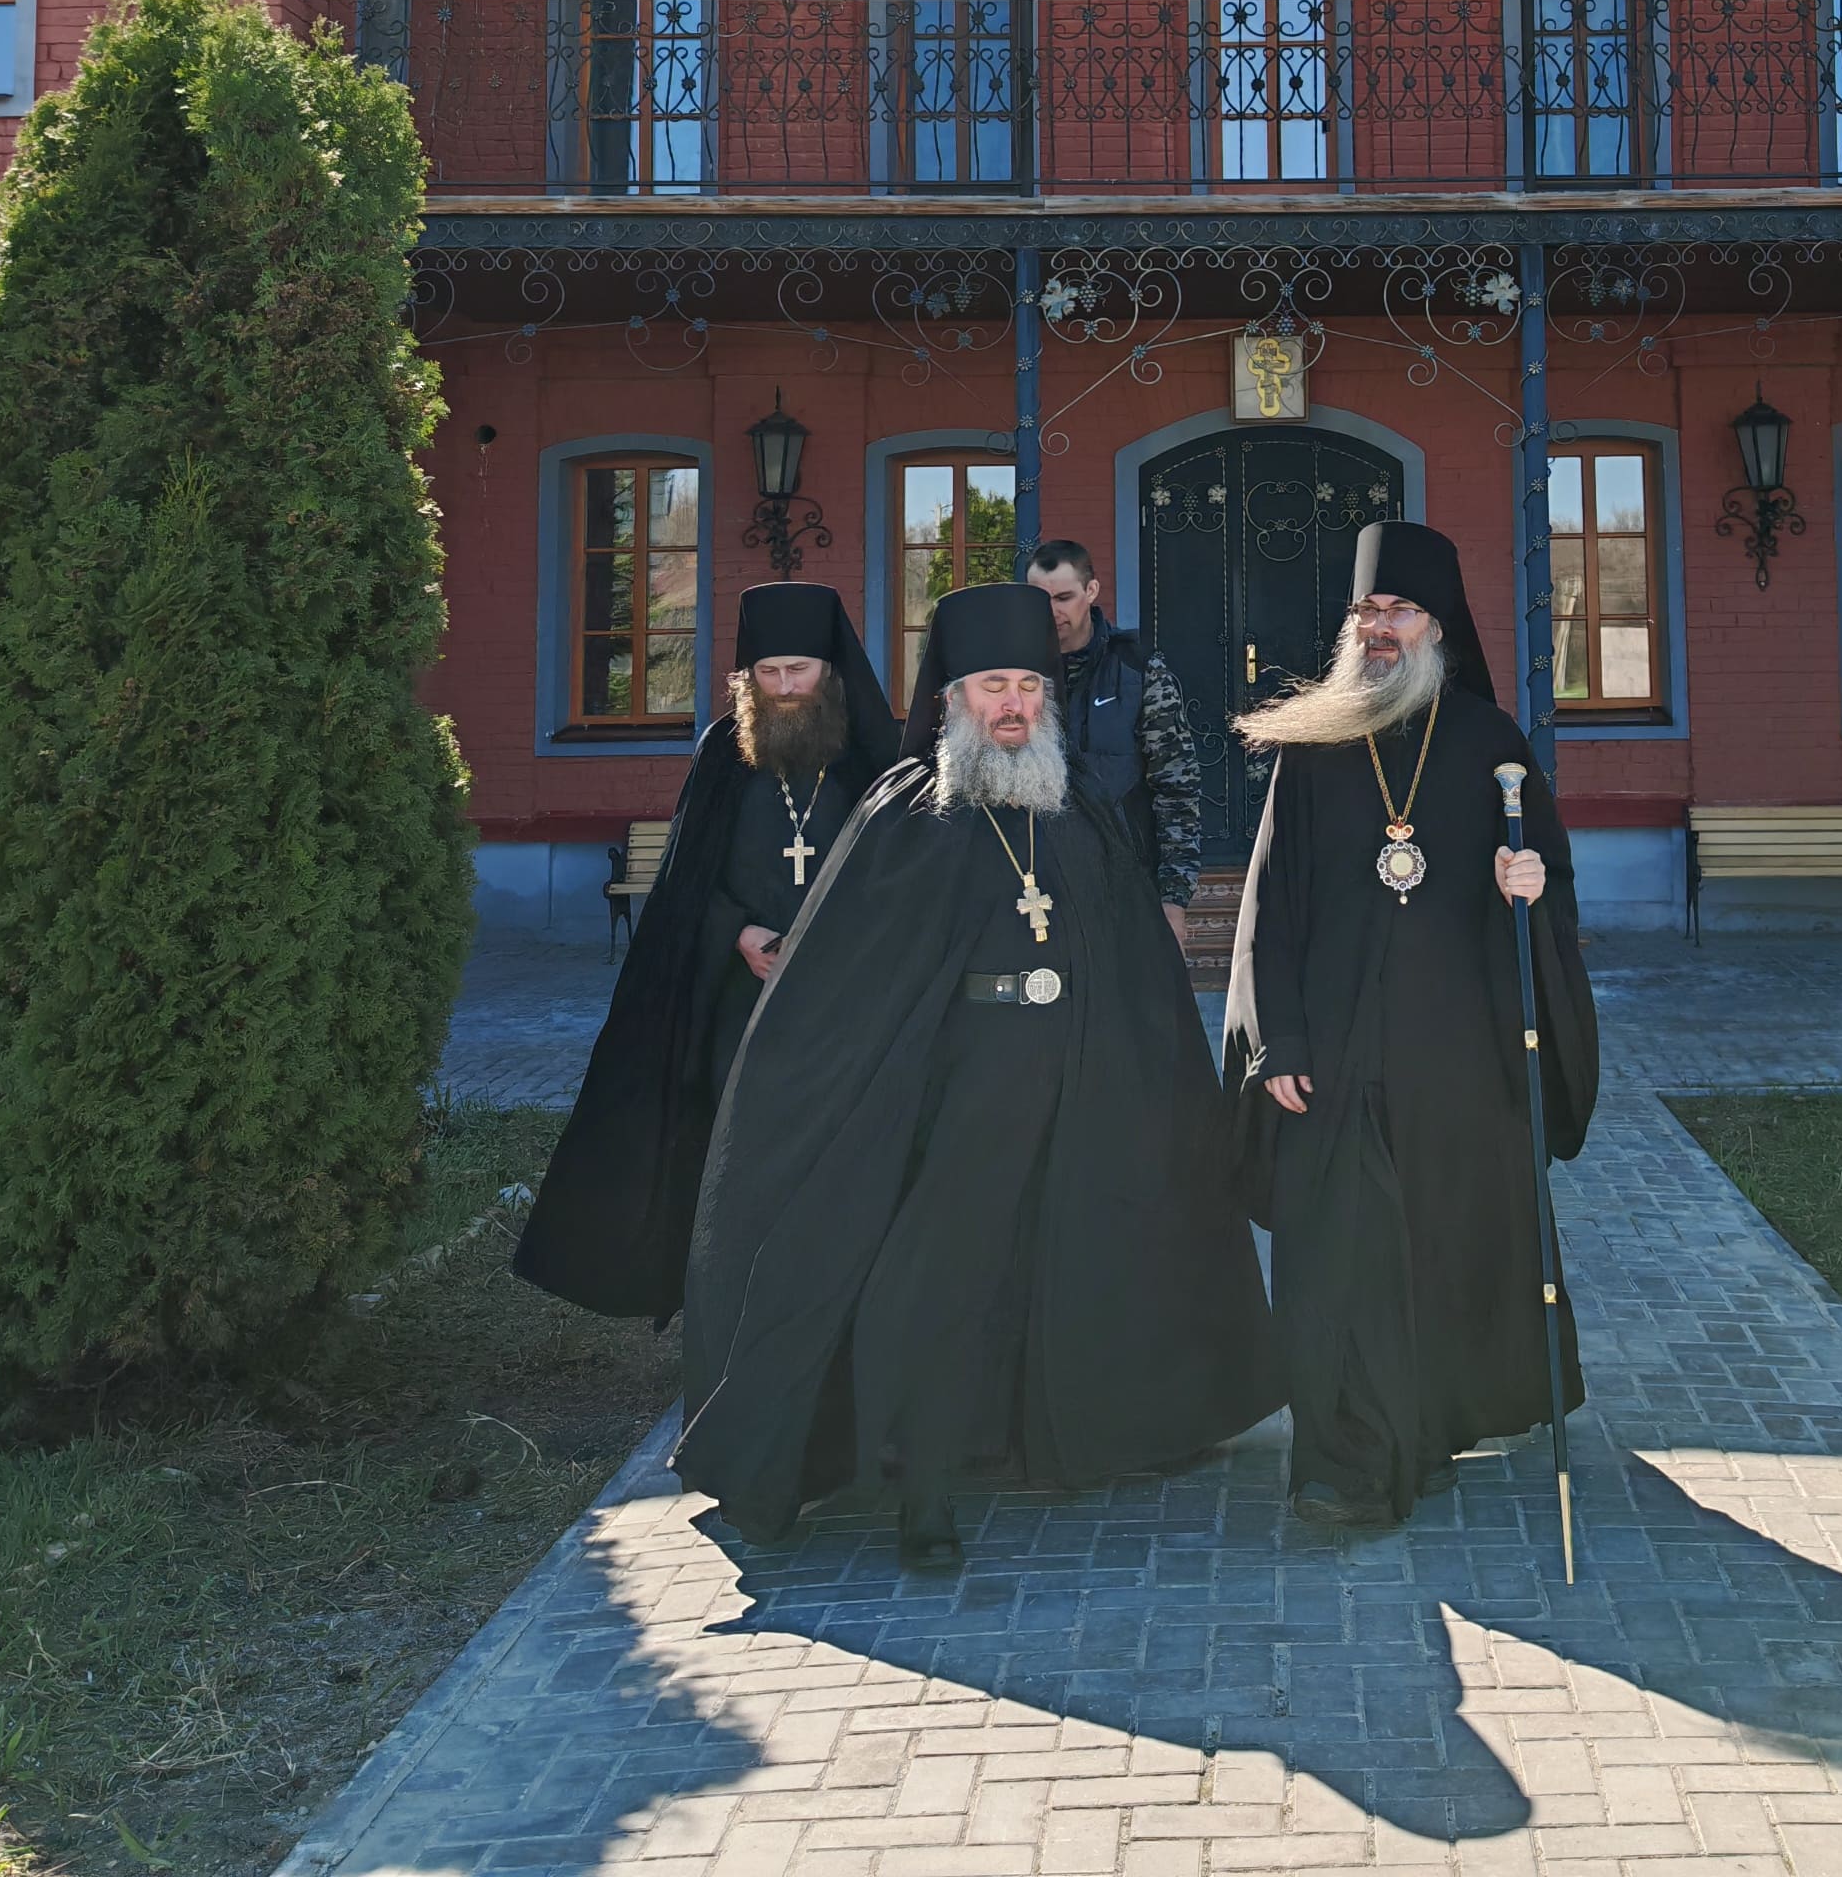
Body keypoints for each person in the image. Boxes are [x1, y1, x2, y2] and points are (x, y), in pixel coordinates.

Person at [673, 580, 1280, 1571]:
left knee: (1066, 1260)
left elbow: (1129, 959)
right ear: (952, 697)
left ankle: (1067, 1437)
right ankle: (922, 1492)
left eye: (1030, 687)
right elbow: (843, 985)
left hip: (1076, 1084)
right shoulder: (905, 817)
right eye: (994, 686)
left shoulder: (1079, 808)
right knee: (933, 1283)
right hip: (953, 1096)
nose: (1014, 705)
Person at [1222, 519, 1601, 1531]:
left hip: (1456, 1050)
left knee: (1442, 1245)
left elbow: (1550, 884)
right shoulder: (1313, 747)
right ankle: (1344, 1465)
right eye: (1366, 610)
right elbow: (1269, 905)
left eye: (1398, 610)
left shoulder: (1490, 745)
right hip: (1335, 1051)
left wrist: (1529, 883)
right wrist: (1276, 1041)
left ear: (1439, 626)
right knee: (1337, 1255)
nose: (1379, 627)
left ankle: (1423, 1432)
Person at [511, 583, 901, 1323]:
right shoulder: (725, 752)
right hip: (740, 997)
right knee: (737, 1145)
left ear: (830, 671)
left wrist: (834, 945)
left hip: (847, 999)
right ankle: (739, 1301)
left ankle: (837, 1304)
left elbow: (901, 878)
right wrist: (742, 935)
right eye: (768, 673)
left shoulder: (874, 756)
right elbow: (689, 880)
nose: (785, 688)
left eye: (800, 671)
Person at [1026, 538, 1206, 914]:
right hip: (1036, 888)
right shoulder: (1014, 678)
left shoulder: (1140, 671)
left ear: (1091, 591)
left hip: (1124, 888)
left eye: (1063, 598)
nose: (1051, 611)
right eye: (1039, 599)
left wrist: (1174, 898)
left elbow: (1176, 789)